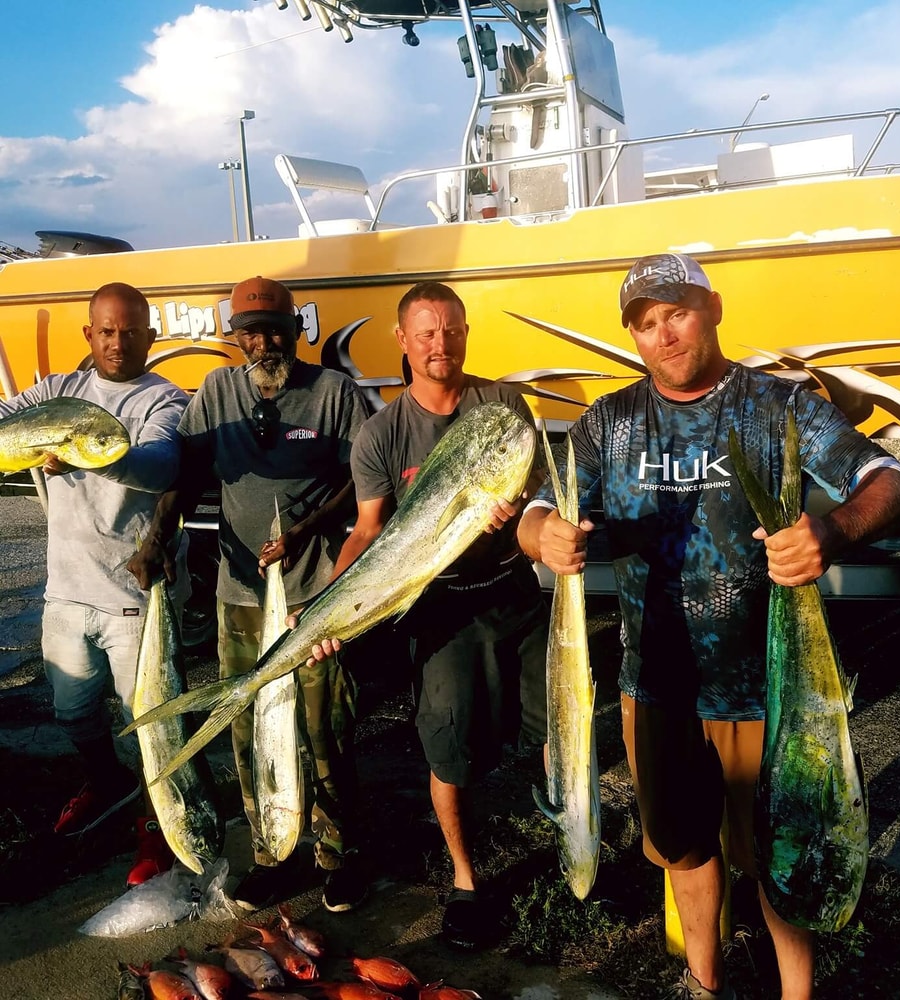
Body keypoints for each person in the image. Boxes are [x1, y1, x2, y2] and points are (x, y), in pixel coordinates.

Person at [516, 253, 900, 1000]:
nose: (663, 335)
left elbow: (893, 480)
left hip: (770, 691)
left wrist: (831, 533)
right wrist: (542, 532)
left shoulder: (780, 406)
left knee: (780, 853)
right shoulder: (610, 422)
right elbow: (541, 506)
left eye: (676, 313)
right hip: (659, 688)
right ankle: (703, 981)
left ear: (713, 308)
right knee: (683, 849)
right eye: (644, 324)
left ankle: (796, 993)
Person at [309, 280, 548, 949]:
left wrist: (518, 502)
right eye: (426, 332)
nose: (440, 344)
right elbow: (366, 531)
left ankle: (573, 843)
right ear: (402, 340)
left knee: (558, 727)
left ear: (466, 333)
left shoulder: (501, 402)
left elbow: (528, 479)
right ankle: (467, 880)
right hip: (440, 606)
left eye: (452, 330)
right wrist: (331, 611)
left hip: (512, 589)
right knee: (448, 750)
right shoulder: (381, 433)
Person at [128, 275, 371, 913]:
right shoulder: (216, 392)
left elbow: (365, 480)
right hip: (240, 593)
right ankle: (271, 851)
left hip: (316, 591)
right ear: (234, 338)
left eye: (276, 329)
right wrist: (159, 535)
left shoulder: (334, 393)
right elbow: (186, 474)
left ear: (299, 329)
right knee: (248, 728)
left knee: (325, 727)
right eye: (250, 332)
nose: (264, 342)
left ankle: (339, 853)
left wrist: (309, 527)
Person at [0, 282, 190, 886]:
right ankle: (105, 783)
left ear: (150, 337)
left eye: (131, 331)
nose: (117, 342)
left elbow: (161, 464)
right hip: (65, 589)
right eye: (106, 331)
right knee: (72, 709)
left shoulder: (166, 400)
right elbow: (8, 421)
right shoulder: (59, 393)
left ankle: (157, 821)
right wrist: (35, 439)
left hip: (133, 597)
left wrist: (91, 453)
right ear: (89, 334)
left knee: (151, 721)